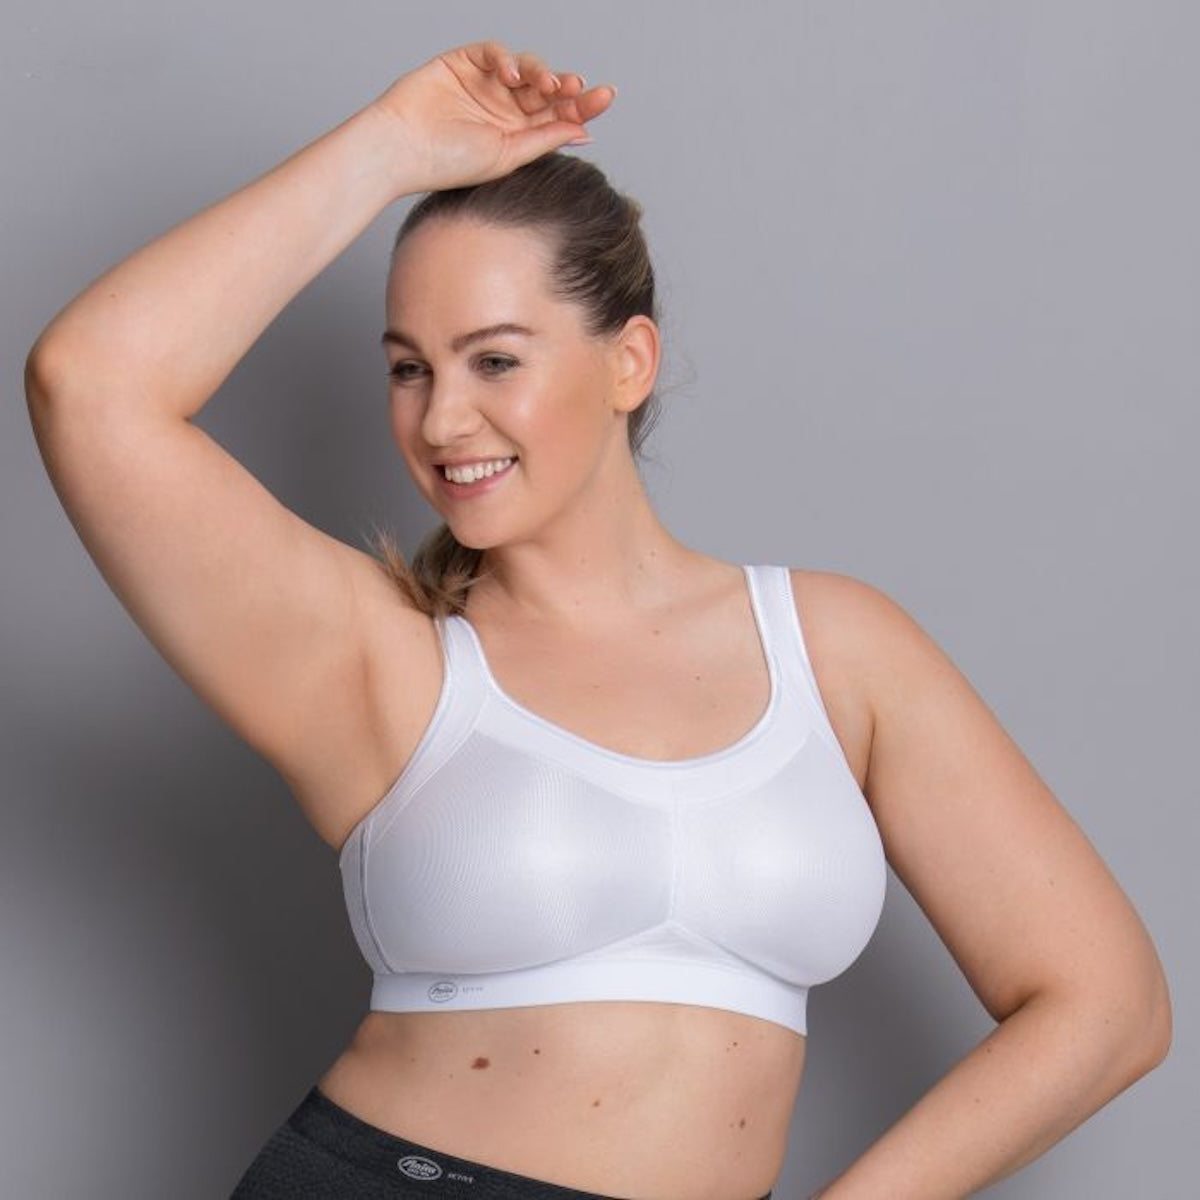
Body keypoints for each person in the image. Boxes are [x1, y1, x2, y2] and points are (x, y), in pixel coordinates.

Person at [24, 39, 1170, 1200]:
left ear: (629, 364)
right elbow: (91, 385)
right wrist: (389, 150)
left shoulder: (837, 649)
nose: (441, 421)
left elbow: (1107, 1004)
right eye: (409, 369)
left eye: (494, 360)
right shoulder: (381, 658)